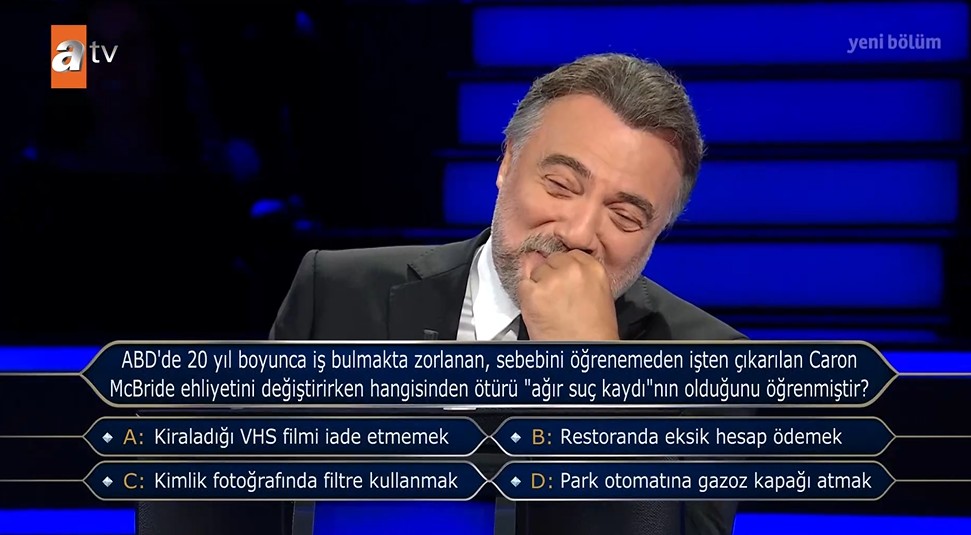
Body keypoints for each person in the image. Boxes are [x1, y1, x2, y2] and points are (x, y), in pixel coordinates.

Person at [137, 53, 743, 535]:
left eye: (625, 216)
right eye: (561, 185)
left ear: (658, 234)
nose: (580, 233)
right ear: (506, 164)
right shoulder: (338, 289)